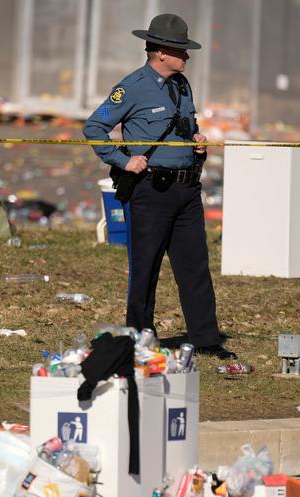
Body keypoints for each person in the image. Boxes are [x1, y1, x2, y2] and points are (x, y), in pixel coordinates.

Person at [83, 13, 238, 360]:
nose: (187, 57)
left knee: (195, 266)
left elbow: (184, 127)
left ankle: (206, 338)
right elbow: (94, 127)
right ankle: (139, 337)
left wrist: (196, 144)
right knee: (146, 267)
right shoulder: (133, 86)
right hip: (151, 191)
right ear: (161, 52)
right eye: (181, 50)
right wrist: (124, 160)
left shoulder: (182, 86)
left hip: (186, 190)